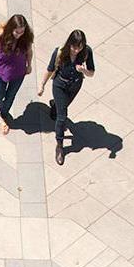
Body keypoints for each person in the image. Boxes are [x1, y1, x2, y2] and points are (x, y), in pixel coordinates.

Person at [38, 29, 95, 165]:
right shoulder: (60, 52)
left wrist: (83, 70)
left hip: (75, 85)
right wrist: (42, 84)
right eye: (74, 47)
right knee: (62, 116)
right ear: (70, 44)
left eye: (79, 47)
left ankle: (54, 107)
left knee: (61, 107)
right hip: (60, 85)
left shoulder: (87, 52)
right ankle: (60, 145)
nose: (76, 50)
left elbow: (92, 73)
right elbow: (50, 68)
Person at [0, 14, 34, 134]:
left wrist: (29, 65)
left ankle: (3, 116)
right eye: (16, 32)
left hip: (18, 72)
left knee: (10, 96)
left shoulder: (26, 38)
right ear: (11, 28)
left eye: (22, 32)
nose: (19, 35)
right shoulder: (0, 37)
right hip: (1, 70)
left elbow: (29, 52)